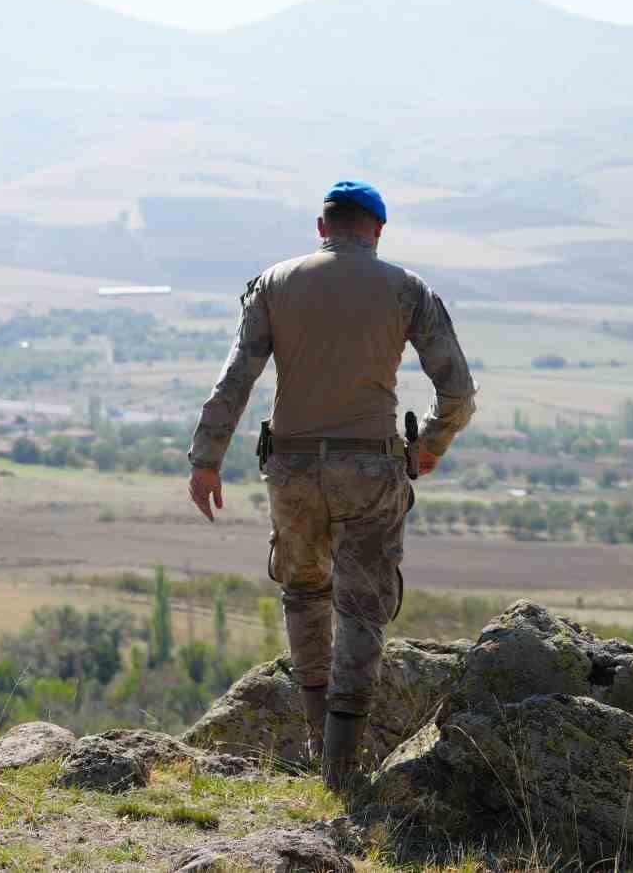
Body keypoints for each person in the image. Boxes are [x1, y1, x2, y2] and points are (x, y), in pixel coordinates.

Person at [184, 181, 477, 791]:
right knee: (362, 606)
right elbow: (458, 392)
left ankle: (318, 736)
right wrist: (428, 446)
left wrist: (206, 458)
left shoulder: (274, 284)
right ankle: (343, 765)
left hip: (289, 468)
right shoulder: (407, 289)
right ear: (376, 230)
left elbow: (236, 377)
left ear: (322, 227)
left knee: (303, 593)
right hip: (370, 469)